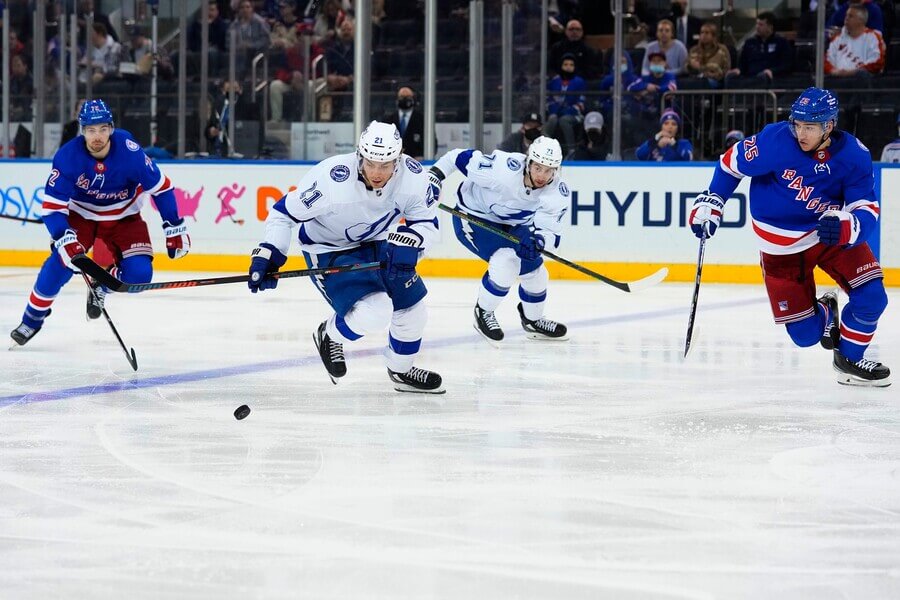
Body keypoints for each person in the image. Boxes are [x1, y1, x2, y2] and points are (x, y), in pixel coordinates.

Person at [688, 87, 890, 386]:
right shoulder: (775, 140)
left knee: (872, 296)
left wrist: (849, 226)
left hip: (829, 236)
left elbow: (867, 207)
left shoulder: (854, 155)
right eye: (797, 124)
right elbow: (730, 164)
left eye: (809, 127)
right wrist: (713, 199)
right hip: (779, 249)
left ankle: (849, 358)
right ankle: (825, 312)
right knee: (805, 337)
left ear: (829, 126)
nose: (801, 133)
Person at [246, 121, 445, 393]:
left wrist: (414, 242)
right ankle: (330, 335)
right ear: (359, 155)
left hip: (378, 241)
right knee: (376, 311)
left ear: (397, 160)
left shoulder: (413, 177)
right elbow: (283, 213)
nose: (377, 172)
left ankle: (401, 370)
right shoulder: (331, 179)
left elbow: (426, 222)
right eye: (370, 162)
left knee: (414, 310)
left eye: (385, 165)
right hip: (329, 249)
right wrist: (270, 251)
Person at [9, 99, 191, 347]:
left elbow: (162, 188)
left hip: (125, 216)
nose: (97, 136)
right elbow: (52, 209)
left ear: (111, 128)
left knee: (139, 275)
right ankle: (31, 320)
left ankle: (101, 284)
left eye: (103, 129)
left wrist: (174, 226)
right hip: (81, 216)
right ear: (82, 130)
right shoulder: (67, 157)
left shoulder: (130, 151)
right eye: (91, 130)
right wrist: (64, 237)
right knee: (62, 262)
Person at [428, 136, 570, 344]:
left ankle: (533, 320)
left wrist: (538, 242)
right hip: (473, 217)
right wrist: (434, 176)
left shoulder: (557, 192)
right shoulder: (503, 169)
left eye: (549, 170)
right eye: (538, 168)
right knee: (506, 262)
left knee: (537, 272)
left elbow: (550, 230)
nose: (542, 175)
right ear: (529, 162)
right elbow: (455, 157)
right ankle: (483, 312)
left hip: (512, 224)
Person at [726, 12, 792, 85]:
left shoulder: (781, 42)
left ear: (770, 27)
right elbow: (743, 63)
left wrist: (772, 71)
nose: (757, 27)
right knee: (731, 77)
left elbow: (786, 65)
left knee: (763, 78)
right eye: (757, 24)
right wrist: (738, 70)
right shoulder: (750, 43)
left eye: (761, 24)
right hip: (749, 76)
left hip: (769, 77)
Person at [825, 3, 886, 78]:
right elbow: (827, 61)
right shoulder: (837, 39)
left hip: (863, 82)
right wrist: (834, 71)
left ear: (861, 20)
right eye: (846, 15)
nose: (846, 18)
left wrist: (853, 72)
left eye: (850, 16)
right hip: (837, 80)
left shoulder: (873, 38)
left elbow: (877, 63)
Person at [546, 54, 587, 155]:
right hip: (556, 113)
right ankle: (546, 147)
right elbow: (548, 100)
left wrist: (565, 111)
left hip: (576, 115)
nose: (568, 67)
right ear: (561, 66)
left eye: (571, 65)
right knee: (552, 119)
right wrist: (554, 111)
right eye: (565, 64)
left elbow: (581, 103)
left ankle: (571, 150)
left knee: (564, 120)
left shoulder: (580, 82)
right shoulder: (554, 82)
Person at [381, 86, 435, 161]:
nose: (404, 99)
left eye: (408, 96)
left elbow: (433, 145)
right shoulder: (387, 120)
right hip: (392, 162)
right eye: (402, 96)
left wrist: (422, 157)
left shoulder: (423, 121)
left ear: (414, 99)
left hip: (416, 164)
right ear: (396, 99)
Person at [686, 21, 731, 86]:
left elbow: (726, 71)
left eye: (707, 33)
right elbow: (687, 68)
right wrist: (692, 66)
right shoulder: (694, 50)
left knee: (703, 83)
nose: (703, 35)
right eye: (702, 32)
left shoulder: (722, 49)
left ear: (713, 36)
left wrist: (703, 71)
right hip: (696, 79)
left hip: (714, 81)